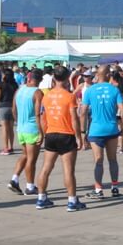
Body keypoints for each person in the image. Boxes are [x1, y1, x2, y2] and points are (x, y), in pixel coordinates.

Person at [35, 65, 86, 211]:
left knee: (46, 168)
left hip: (51, 134)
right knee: (68, 170)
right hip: (66, 134)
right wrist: (78, 136)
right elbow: (74, 118)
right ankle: (71, 201)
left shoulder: (46, 96)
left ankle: (41, 198)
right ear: (66, 78)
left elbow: (43, 118)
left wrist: (43, 133)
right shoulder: (69, 96)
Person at [82, 65, 123, 199]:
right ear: (107, 75)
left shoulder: (90, 90)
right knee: (113, 159)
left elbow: (83, 112)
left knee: (98, 161)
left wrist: (83, 131)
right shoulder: (114, 90)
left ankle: (98, 189)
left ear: (97, 75)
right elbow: (122, 109)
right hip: (111, 128)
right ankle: (115, 187)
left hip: (96, 130)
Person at [9, 69, 44, 195]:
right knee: (31, 159)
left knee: (24, 155)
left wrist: (18, 122)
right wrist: (41, 132)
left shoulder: (20, 90)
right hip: (32, 129)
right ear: (40, 80)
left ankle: (14, 179)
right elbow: (38, 114)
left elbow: (13, 109)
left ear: (28, 78)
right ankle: (30, 186)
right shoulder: (37, 93)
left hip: (21, 129)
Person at [0, 68, 18, 155]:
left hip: (3, 106)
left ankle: (5, 148)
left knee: (4, 128)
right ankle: (11, 147)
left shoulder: (1, 84)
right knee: (11, 128)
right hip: (12, 106)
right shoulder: (15, 85)